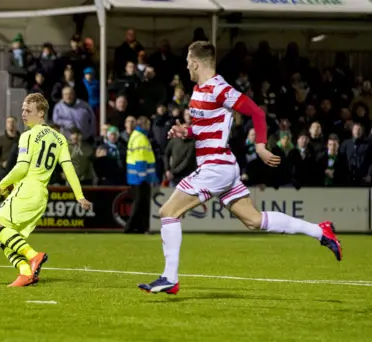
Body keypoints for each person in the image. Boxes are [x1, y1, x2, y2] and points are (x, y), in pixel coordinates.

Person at [138, 41, 342, 295]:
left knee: (168, 212)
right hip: (222, 165)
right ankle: (320, 231)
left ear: (196, 62)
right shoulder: (200, 90)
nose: (186, 66)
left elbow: (257, 112)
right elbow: (206, 127)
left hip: (216, 166)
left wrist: (259, 145)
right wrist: (186, 131)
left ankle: (170, 278)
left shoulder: (218, 88)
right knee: (255, 220)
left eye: (188, 61)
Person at [0, 93, 93, 287]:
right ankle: (25, 272)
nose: (23, 114)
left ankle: (33, 256)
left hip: (27, 189)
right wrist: (79, 196)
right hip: (41, 195)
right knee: (9, 237)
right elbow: (68, 168)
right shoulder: (60, 138)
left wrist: (3, 183)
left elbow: (21, 167)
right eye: (22, 110)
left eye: (28, 111)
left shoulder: (28, 136)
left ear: (41, 113)